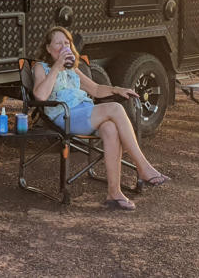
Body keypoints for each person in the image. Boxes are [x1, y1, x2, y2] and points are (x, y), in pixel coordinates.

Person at [33, 26, 170, 210]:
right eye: (58, 43)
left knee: (110, 129)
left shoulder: (73, 70)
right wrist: (56, 68)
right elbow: (40, 96)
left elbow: (96, 89)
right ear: (48, 48)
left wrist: (117, 89)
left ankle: (114, 193)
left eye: (67, 42)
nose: (64, 46)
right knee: (115, 108)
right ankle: (143, 167)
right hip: (65, 116)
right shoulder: (41, 68)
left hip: (85, 113)